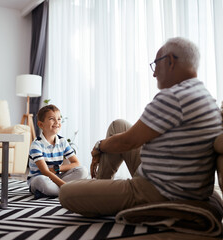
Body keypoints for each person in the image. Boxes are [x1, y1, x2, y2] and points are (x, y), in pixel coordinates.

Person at [59, 37, 223, 217]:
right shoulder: (203, 95)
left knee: (66, 193)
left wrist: (98, 146)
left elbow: (127, 142)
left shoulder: (174, 97)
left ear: (170, 61)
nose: (154, 74)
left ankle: (100, 191)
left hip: (158, 189)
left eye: (156, 64)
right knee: (118, 125)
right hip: (171, 176)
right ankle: (101, 185)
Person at [27, 104, 88, 199]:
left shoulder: (62, 141)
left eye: (59, 119)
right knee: (41, 180)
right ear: (40, 124)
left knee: (83, 170)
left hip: (57, 176)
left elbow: (76, 163)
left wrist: (57, 168)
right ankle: (66, 190)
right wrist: (65, 186)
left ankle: (53, 191)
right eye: (52, 119)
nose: (57, 122)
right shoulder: (36, 145)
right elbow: (45, 172)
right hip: (41, 178)